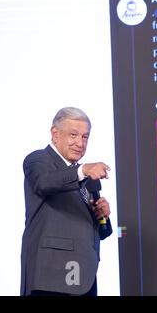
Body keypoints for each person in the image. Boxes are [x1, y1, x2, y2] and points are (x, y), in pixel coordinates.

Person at [20, 107, 112, 296]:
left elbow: (100, 232)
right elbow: (44, 183)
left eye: (85, 137)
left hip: (83, 276)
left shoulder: (86, 176)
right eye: (73, 135)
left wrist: (101, 216)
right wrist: (83, 171)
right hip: (50, 277)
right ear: (55, 133)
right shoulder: (38, 159)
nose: (80, 143)